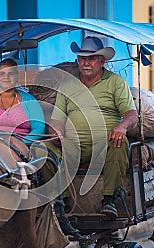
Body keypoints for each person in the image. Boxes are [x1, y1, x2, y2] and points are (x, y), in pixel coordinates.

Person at [46, 36, 138, 220]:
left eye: (92, 58)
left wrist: (122, 127)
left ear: (102, 61)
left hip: (105, 144)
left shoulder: (115, 82)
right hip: (73, 145)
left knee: (120, 143)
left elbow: (132, 115)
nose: (86, 63)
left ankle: (109, 199)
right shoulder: (67, 85)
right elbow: (56, 120)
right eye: (82, 58)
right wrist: (55, 133)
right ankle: (61, 201)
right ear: (77, 61)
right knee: (43, 151)